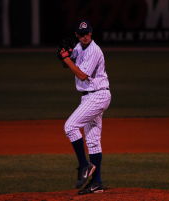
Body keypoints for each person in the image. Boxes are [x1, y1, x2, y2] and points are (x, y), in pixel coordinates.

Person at [57, 20, 111, 195]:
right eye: (81, 34)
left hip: (98, 96)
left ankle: (84, 165)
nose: (85, 36)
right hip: (91, 97)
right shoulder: (80, 47)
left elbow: (81, 74)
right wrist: (66, 55)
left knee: (70, 126)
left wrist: (66, 59)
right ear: (77, 35)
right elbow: (69, 65)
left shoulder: (94, 50)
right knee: (93, 141)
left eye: (87, 33)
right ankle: (97, 184)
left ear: (91, 33)